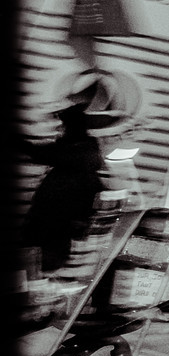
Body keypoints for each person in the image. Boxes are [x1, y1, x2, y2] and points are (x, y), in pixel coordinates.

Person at [18, 71, 119, 273]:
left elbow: (41, 153)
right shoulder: (84, 153)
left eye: (64, 124)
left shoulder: (81, 153)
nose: (59, 128)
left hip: (50, 237)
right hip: (47, 235)